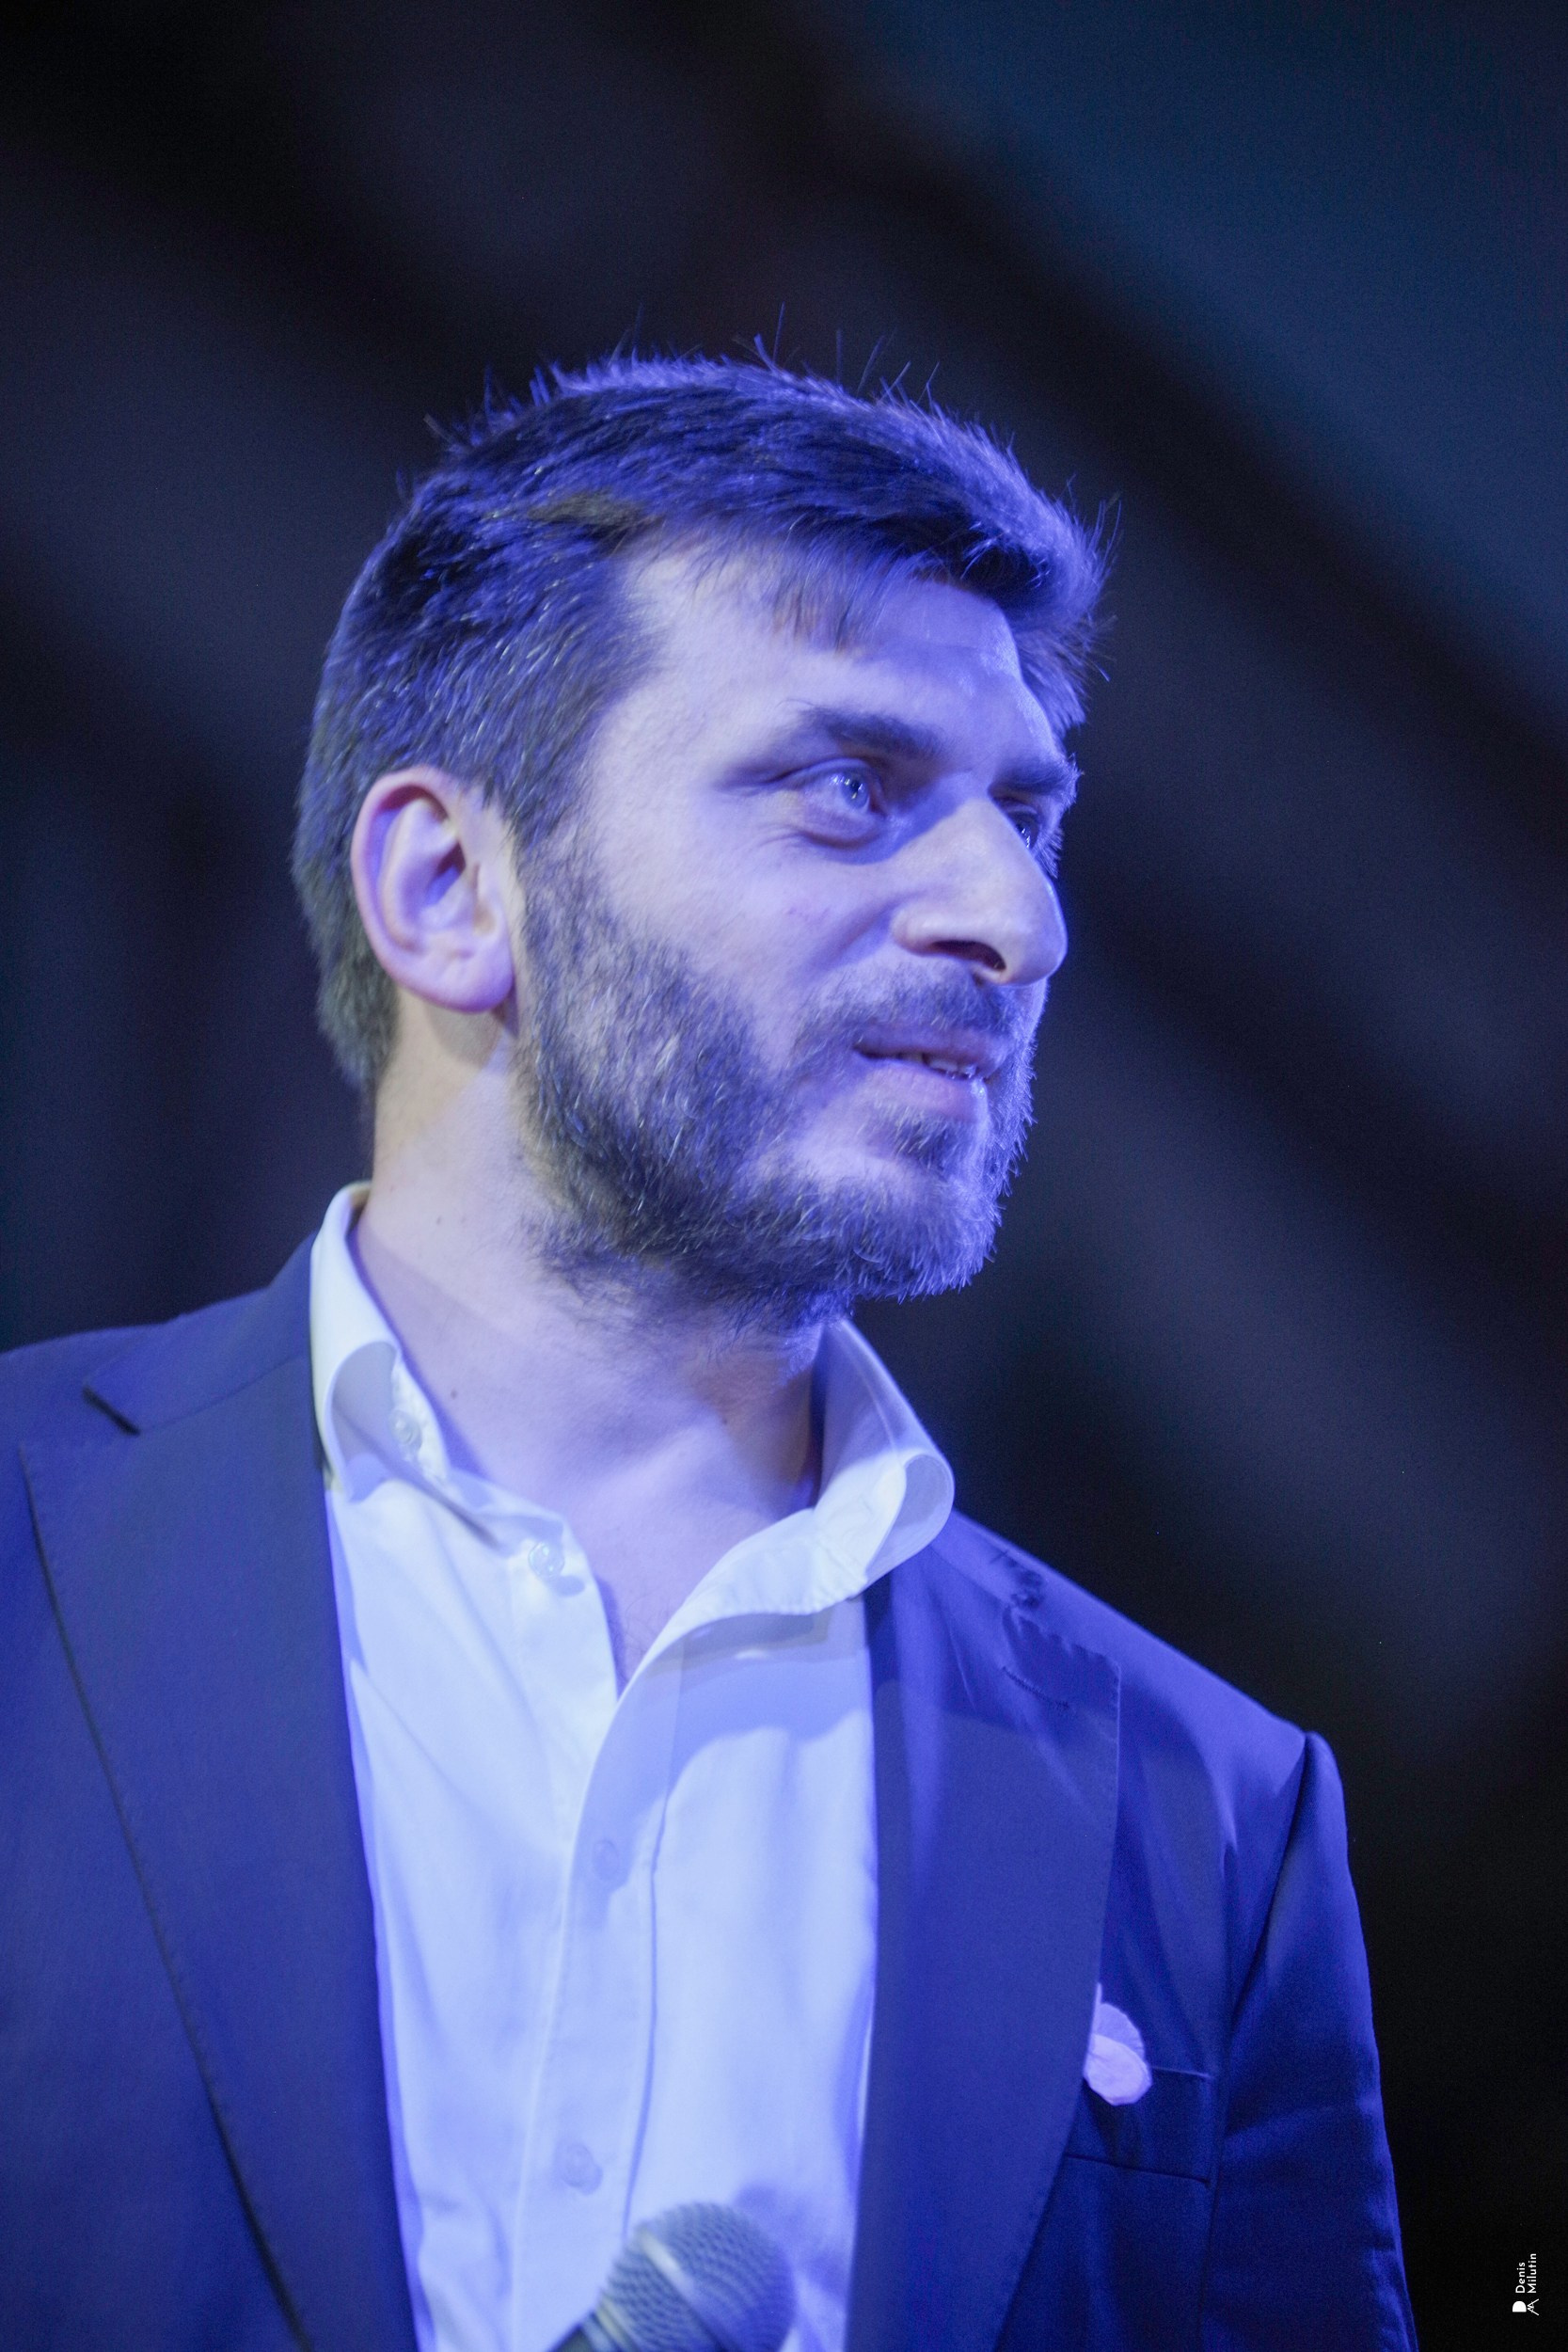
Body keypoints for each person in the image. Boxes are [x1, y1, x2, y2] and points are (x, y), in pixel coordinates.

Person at [0, 358, 1415, 2351]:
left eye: (1031, 816)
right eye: (851, 785)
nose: (1015, 921)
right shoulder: (29, 1544)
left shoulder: (1209, 1823)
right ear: (450, 889)